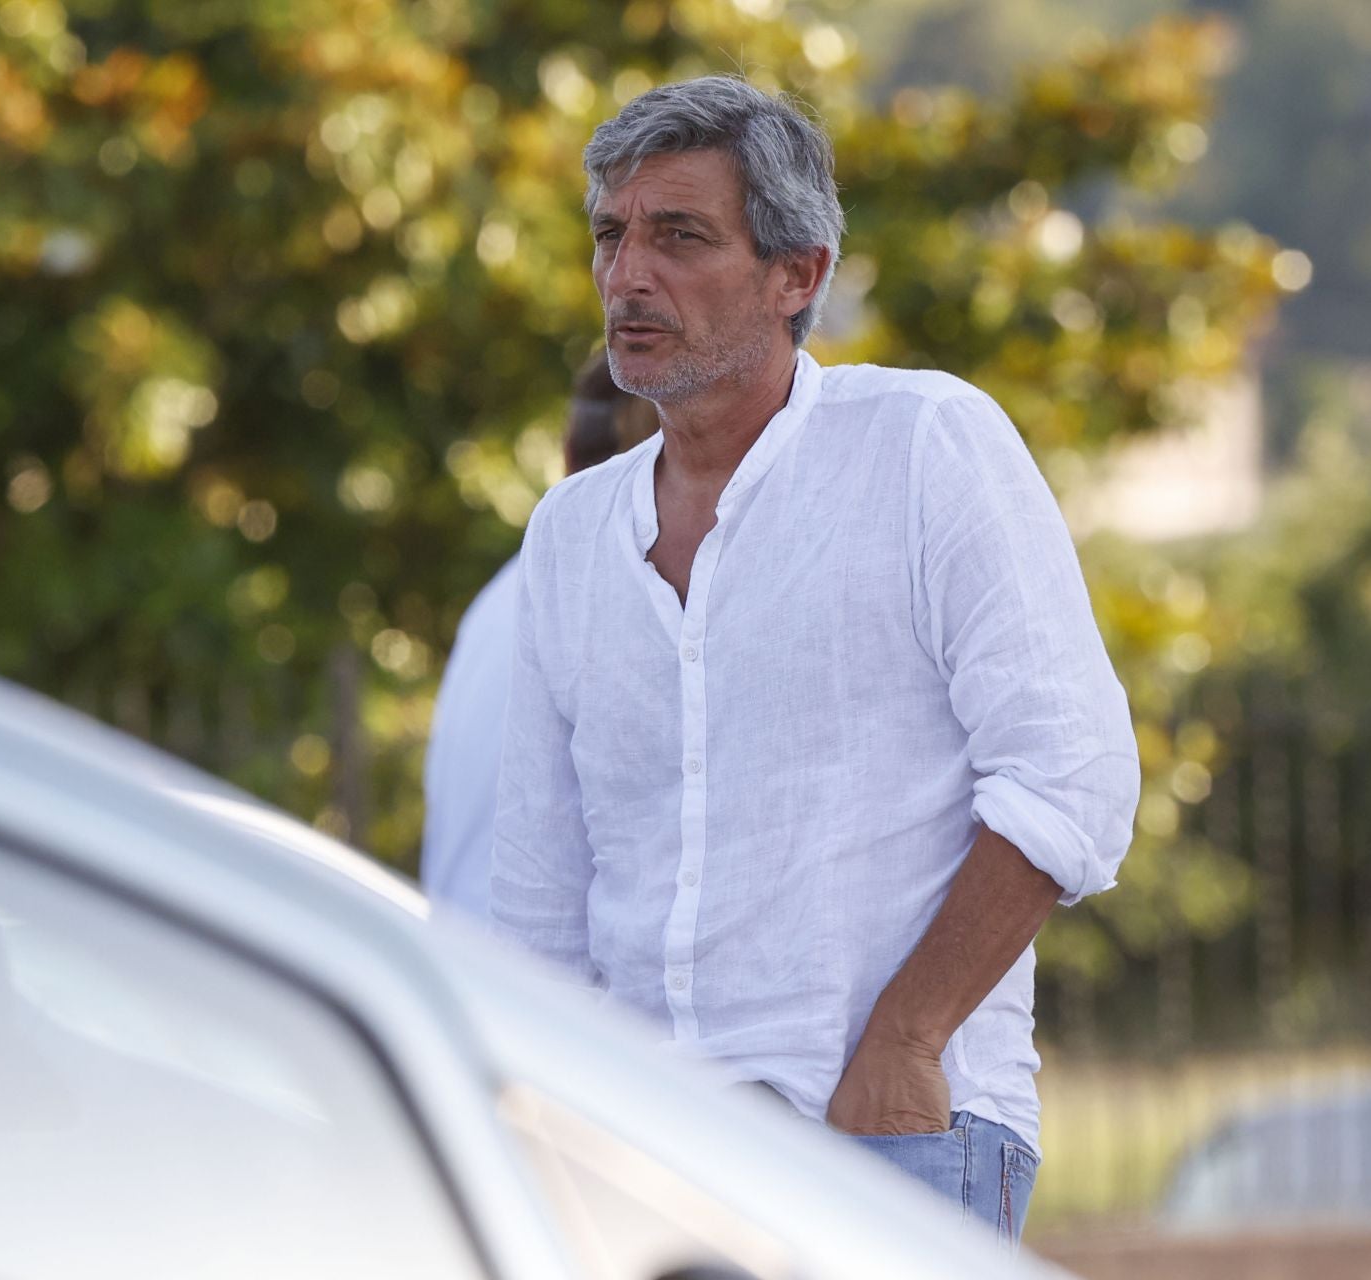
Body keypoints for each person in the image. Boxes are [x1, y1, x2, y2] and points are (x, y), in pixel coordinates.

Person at [490, 75, 1139, 1248]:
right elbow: (541, 896)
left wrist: (908, 1039)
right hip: (642, 1161)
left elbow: (1072, 774)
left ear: (799, 274)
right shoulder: (568, 535)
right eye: (610, 234)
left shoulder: (924, 445)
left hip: (886, 1134)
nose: (627, 275)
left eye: (680, 236)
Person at [421, 358, 657, 918]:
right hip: (518, 965)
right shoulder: (610, 596)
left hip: (457, 949)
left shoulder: (506, 593)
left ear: (567, 454)